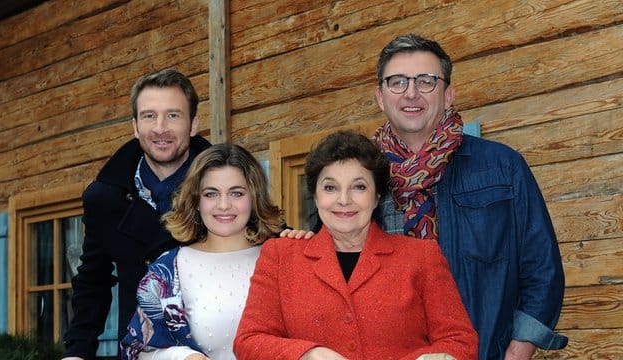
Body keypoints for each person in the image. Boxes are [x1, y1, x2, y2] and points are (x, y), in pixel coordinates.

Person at [372, 33, 567, 359]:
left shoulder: (503, 167)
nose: (411, 92)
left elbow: (542, 268)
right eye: (397, 82)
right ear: (380, 97)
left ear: (448, 95)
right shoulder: (362, 176)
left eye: (426, 81)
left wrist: (521, 348)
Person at [234, 131, 478, 360]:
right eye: (330, 187)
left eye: (359, 187)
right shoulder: (281, 255)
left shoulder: (421, 256)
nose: (343, 200)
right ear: (316, 196)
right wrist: (307, 354)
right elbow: (248, 341)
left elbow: (460, 341)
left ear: (377, 197)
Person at [62, 69, 211, 359]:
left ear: (193, 124)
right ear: (134, 126)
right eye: (149, 116)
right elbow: (93, 281)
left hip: (216, 346)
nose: (160, 128)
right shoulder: (105, 198)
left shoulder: (229, 186)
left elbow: (267, 246)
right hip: (142, 347)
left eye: (173, 115)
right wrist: (77, 351)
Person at [121, 143, 284, 360]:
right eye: (211, 194)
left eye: (236, 193)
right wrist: (181, 357)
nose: (224, 205)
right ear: (196, 200)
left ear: (254, 198)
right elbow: (135, 349)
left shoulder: (284, 259)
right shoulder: (168, 270)